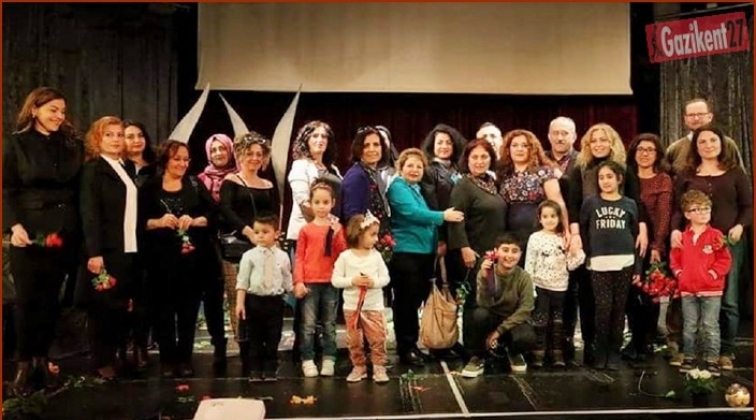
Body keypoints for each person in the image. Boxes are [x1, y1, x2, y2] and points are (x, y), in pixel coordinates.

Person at [4, 87, 84, 396]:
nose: (59, 116)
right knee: (27, 301)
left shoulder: (70, 144)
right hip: (29, 233)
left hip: (62, 234)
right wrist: (13, 226)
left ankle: (42, 361)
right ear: (34, 109)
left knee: (51, 301)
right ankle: (23, 365)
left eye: (62, 111)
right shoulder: (15, 144)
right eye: (53, 110)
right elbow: (5, 189)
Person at [668, 124, 751, 371]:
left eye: (713, 140)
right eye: (702, 141)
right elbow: (677, 208)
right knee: (689, 298)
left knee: (729, 300)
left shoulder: (735, 172)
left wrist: (740, 226)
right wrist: (675, 230)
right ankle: (690, 351)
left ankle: (725, 351)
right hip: (693, 242)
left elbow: (748, 206)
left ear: (721, 143)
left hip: (728, 242)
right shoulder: (687, 173)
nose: (708, 145)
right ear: (695, 146)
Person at [138, 140, 219, 378]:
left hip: (192, 259)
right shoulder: (150, 187)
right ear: (165, 160)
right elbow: (138, 221)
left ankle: (184, 359)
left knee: (188, 310)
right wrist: (158, 222)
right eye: (177, 159)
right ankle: (167, 359)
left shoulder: (194, 184)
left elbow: (213, 215)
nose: (182, 164)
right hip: (159, 259)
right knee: (162, 310)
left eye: (186, 159)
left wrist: (194, 220)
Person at [386, 148, 464, 366]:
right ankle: (406, 348)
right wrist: (443, 216)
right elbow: (413, 213)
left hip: (423, 253)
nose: (414, 170)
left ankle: (416, 344)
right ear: (401, 168)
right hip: (407, 253)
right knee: (406, 303)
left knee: (415, 301)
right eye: (410, 166)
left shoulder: (417, 188)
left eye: (419, 167)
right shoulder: (398, 187)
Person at [77, 116, 139, 380]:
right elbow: (89, 213)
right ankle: (101, 361)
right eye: (109, 135)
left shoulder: (126, 166)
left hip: (128, 246)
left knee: (121, 306)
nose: (115, 139)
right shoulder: (93, 169)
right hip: (105, 250)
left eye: (119, 134)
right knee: (102, 308)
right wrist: (94, 252)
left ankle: (117, 356)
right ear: (97, 139)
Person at [218, 131, 279, 371]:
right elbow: (226, 211)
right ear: (240, 155)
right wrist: (248, 232)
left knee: (264, 298)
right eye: (250, 153)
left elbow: (273, 214)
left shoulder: (268, 184)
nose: (254, 158)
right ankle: (245, 349)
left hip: (265, 248)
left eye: (259, 154)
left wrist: (271, 237)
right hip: (239, 249)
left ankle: (265, 350)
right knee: (240, 299)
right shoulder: (231, 181)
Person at [579, 161, 642, 370]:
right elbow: (584, 231)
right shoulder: (590, 203)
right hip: (599, 262)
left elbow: (635, 236)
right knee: (603, 308)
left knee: (618, 309)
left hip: (625, 261)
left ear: (619, 179)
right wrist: (587, 255)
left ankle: (614, 353)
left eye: (609, 177)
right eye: (601, 177)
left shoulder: (629, 204)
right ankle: (600, 352)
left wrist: (638, 267)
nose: (605, 181)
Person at [670, 190, 732, 376]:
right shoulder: (683, 237)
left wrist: (712, 274)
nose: (703, 212)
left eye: (706, 208)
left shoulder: (716, 236)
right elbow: (675, 259)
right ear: (687, 214)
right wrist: (680, 274)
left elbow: (725, 260)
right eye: (697, 209)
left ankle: (712, 360)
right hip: (688, 290)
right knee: (689, 326)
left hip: (711, 291)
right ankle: (689, 358)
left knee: (709, 326)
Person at [623, 134, 673, 362]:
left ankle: (648, 340)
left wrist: (657, 245)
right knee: (631, 294)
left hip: (653, 244)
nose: (644, 154)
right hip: (627, 243)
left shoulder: (662, 179)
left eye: (650, 150)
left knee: (651, 294)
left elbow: (664, 215)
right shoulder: (626, 177)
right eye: (640, 149)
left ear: (657, 154)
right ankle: (635, 339)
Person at [461, 234, 536, 378]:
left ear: (520, 254)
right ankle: (478, 356)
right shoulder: (486, 272)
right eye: (505, 250)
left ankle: (513, 352)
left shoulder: (524, 277)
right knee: (478, 315)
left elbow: (526, 309)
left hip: (511, 321)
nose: (509, 255)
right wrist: (485, 279)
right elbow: (483, 304)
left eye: (514, 251)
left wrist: (498, 332)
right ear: (496, 252)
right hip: (491, 318)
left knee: (527, 336)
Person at [293, 182, 347, 377]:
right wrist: (298, 281)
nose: (321, 206)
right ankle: (307, 358)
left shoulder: (336, 228)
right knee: (308, 324)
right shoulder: (305, 230)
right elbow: (299, 257)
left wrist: (338, 233)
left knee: (329, 323)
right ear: (311, 203)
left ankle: (329, 357)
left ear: (333, 203)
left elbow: (342, 253)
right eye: (317, 202)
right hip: (310, 281)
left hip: (331, 281)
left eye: (325, 202)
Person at [524, 200, 585, 368]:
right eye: (545, 216)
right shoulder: (535, 238)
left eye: (553, 216)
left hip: (560, 287)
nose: (549, 220)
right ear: (540, 218)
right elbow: (529, 264)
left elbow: (570, 265)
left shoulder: (563, 238)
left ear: (559, 218)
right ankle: (538, 353)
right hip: (541, 286)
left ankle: (557, 353)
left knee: (558, 321)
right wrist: (531, 288)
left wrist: (577, 253)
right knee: (540, 321)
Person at [331, 213, 391, 383]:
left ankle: (379, 365)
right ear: (359, 234)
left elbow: (385, 278)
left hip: (373, 306)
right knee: (354, 340)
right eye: (372, 234)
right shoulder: (345, 257)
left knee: (377, 337)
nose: (376, 239)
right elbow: (335, 280)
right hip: (352, 308)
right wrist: (352, 281)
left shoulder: (376, 256)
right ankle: (359, 366)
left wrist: (374, 282)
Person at [447, 139, 507, 305]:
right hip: (474, 253)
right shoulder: (463, 185)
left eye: (484, 157)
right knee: (476, 302)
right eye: (474, 157)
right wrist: (464, 248)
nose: (479, 161)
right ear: (467, 160)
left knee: (493, 300)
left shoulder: (492, 183)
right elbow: (456, 219)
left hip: (494, 250)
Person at [235, 213, 293, 382]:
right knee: (255, 337)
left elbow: (287, 277)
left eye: (265, 232)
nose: (260, 235)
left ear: (276, 234)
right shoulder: (249, 256)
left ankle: (270, 368)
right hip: (254, 301)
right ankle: (255, 369)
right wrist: (240, 303)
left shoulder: (282, 256)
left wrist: (294, 290)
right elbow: (242, 281)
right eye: (257, 232)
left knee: (274, 336)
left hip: (275, 301)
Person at [664, 98, 744, 177]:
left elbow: (740, 177)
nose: (696, 118)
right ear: (685, 119)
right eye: (691, 115)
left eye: (700, 114)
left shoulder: (727, 144)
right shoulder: (675, 149)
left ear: (710, 117)